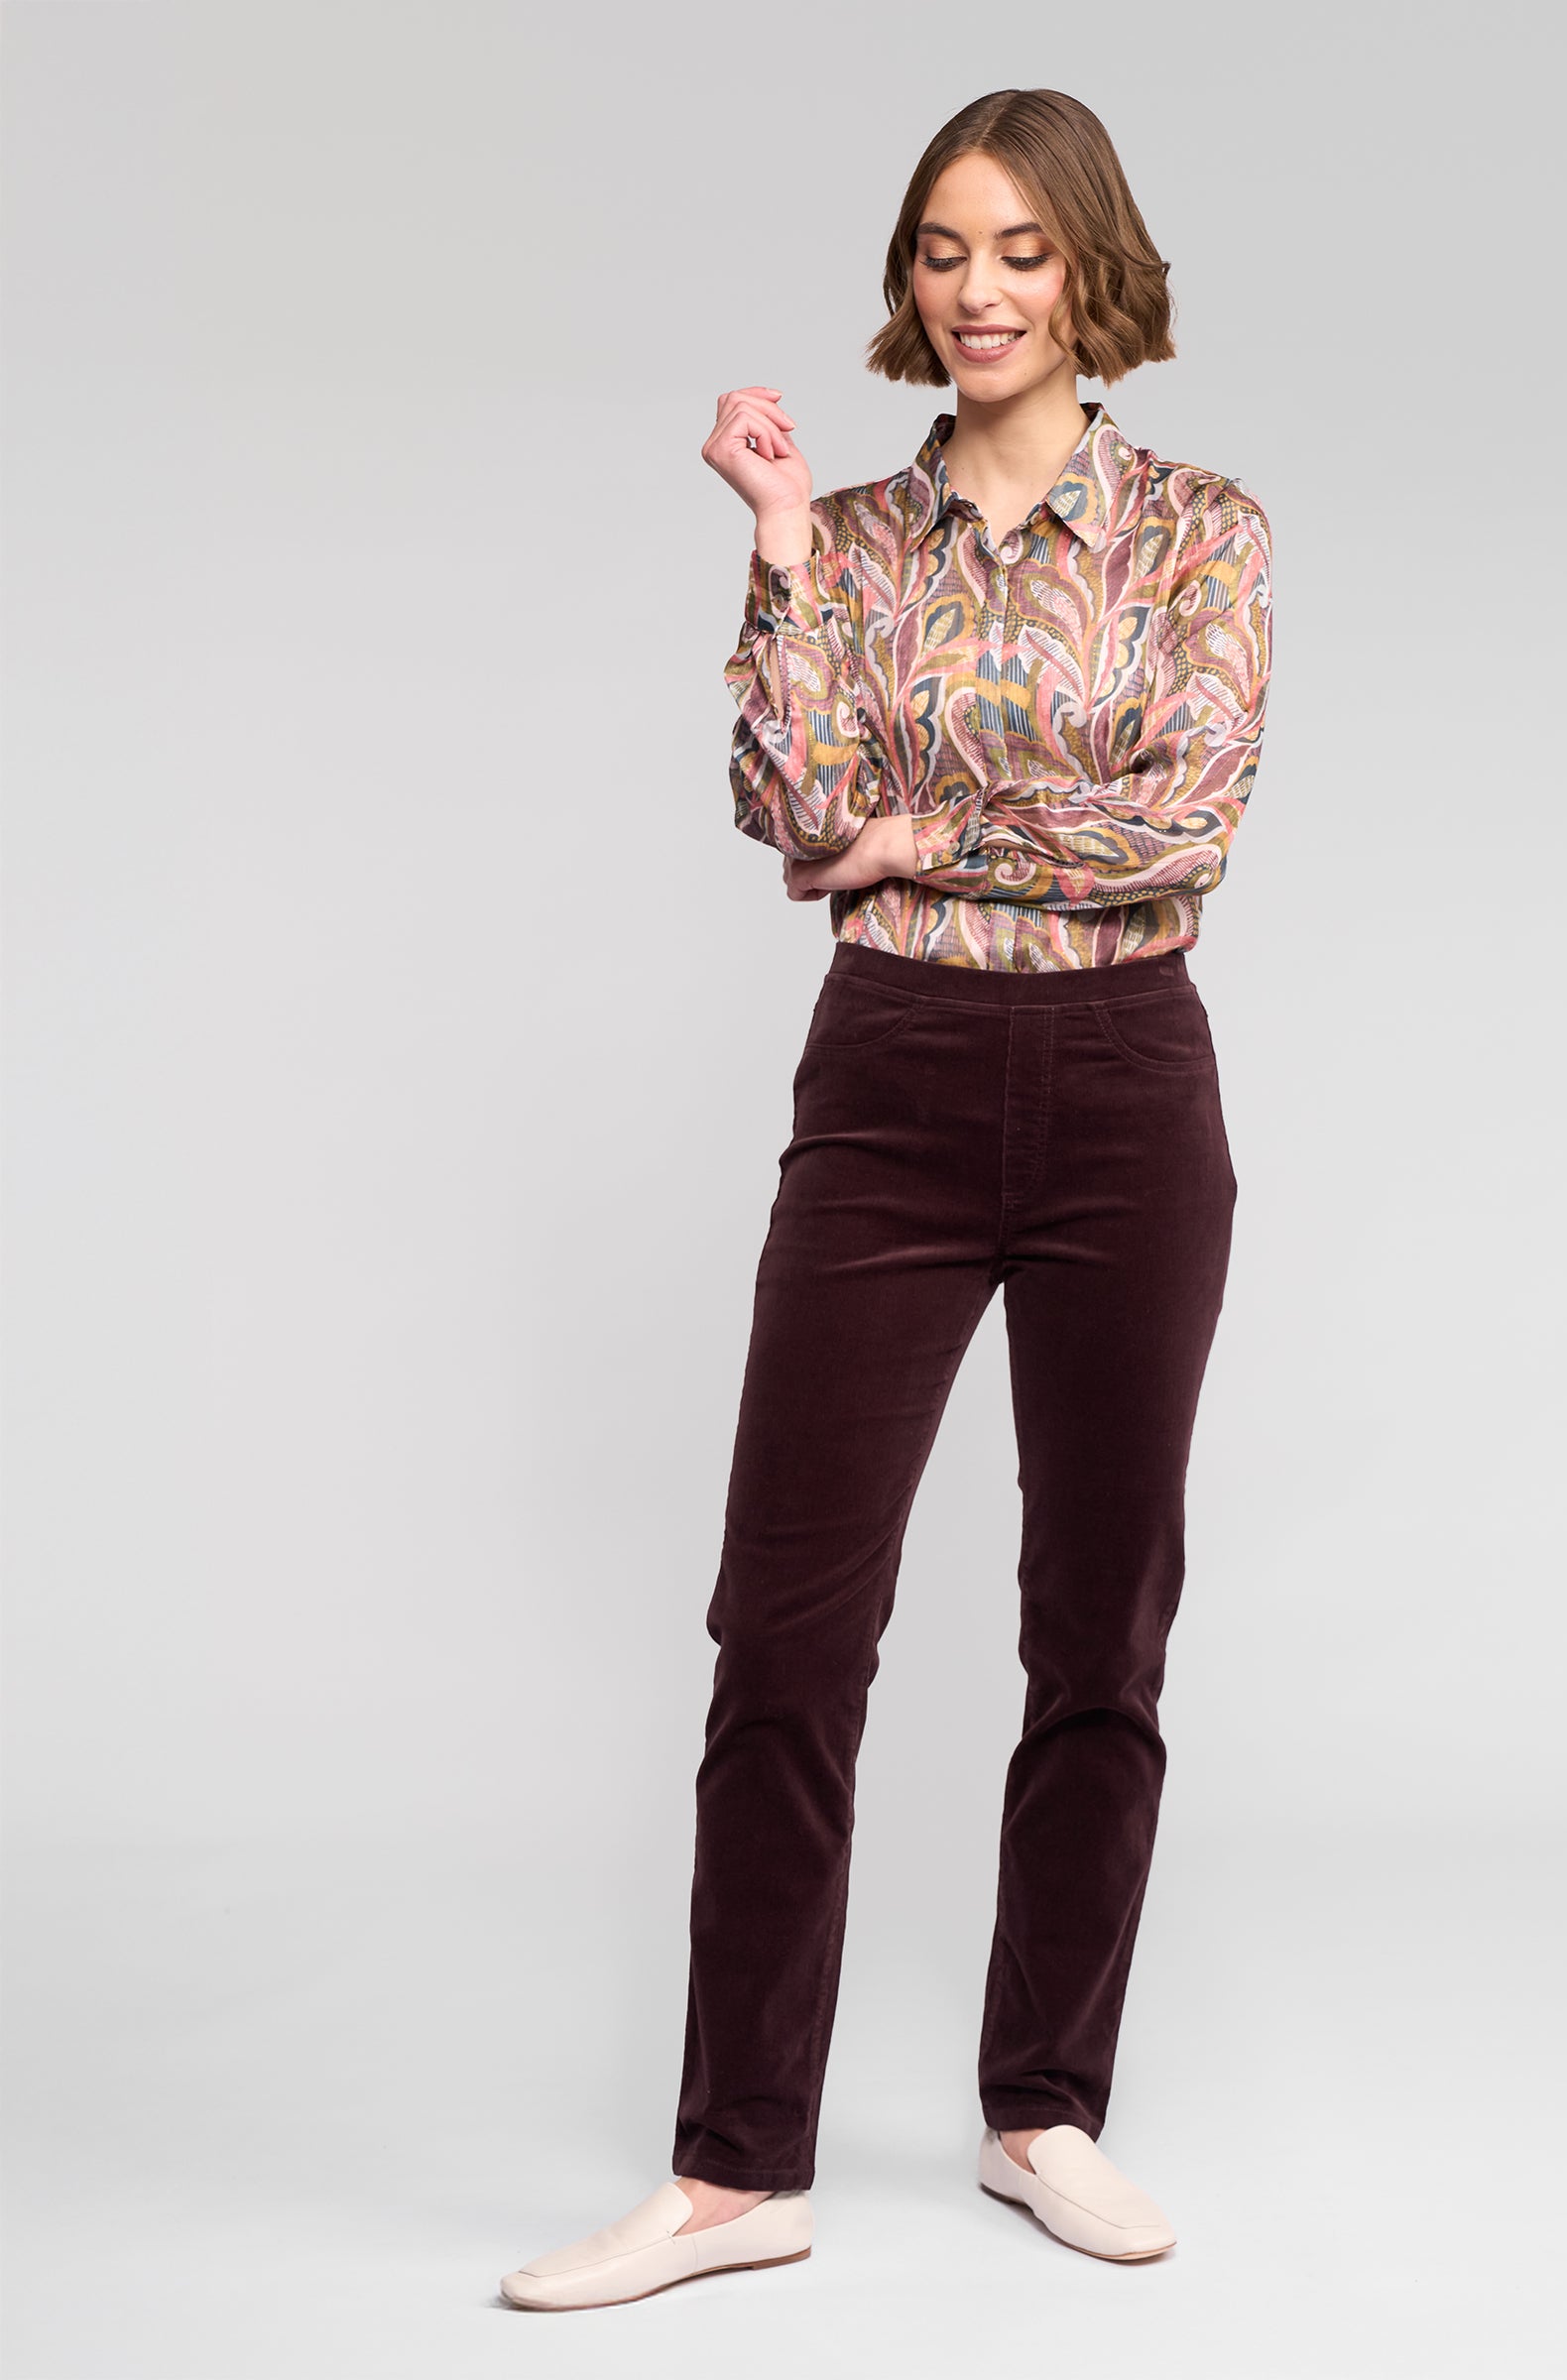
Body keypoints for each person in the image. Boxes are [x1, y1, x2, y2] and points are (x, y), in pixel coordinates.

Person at [501, 85, 1272, 2314]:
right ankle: (741, 2166)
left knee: (1096, 1622)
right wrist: (765, 547)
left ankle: (1047, 2111)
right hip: (895, 1082)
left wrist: (921, 837)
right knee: (787, 1624)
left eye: (1021, 249)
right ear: (909, 279)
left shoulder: (1206, 530)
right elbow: (786, 801)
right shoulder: (841, 533)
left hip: (1133, 1081)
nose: (978, 290)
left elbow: (1183, 833)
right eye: (943, 249)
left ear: (1089, 269)